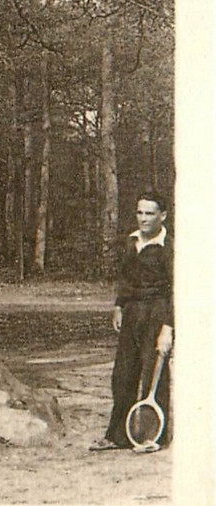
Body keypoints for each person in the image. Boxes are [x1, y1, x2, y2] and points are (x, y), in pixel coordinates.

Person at [90, 194, 173, 452]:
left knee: (153, 373)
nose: (144, 218)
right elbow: (125, 279)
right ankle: (118, 435)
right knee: (123, 375)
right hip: (132, 313)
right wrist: (119, 306)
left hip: (157, 312)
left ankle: (152, 437)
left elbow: (177, 290)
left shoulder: (170, 247)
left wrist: (168, 328)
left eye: (150, 213)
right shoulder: (131, 242)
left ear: (163, 216)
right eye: (140, 213)